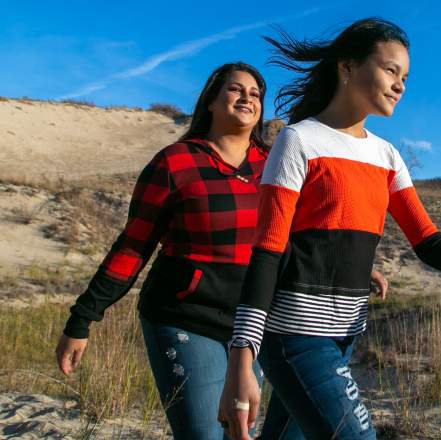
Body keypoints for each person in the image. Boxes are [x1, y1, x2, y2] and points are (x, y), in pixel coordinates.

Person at [218, 18, 441, 440]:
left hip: (347, 334)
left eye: (405, 77)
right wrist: (241, 361)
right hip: (295, 336)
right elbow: (267, 253)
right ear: (347, 66)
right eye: (390, 70)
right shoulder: (299, 141)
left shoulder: (386, 155)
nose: (400, 85)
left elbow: (428, 242)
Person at [55, 61, 388, 440]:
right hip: (186, 316)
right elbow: (133, 245)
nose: (247, 97)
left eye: (256, 94)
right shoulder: (175, 162)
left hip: (256, 319)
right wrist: (82, 318)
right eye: (235, 89)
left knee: (243, 429)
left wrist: (357, 269)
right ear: (211, 101)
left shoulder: (276, 162)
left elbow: (303, 236)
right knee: (207, 433)